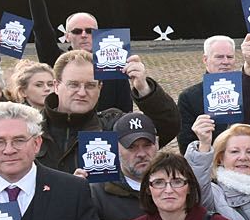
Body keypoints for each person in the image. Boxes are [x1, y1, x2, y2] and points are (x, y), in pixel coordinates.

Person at [40, 48, 179, 173]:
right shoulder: (32, 126)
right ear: (56, 86)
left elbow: (168, 125)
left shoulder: (113, 124)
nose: (82, 92)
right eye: (74, 85)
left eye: (90, 85)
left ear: (100, 88)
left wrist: (143, 89)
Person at [175, 35, 250, 150]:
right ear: (205, 59)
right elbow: (185, 146)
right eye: (219, 57)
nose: (225, 62)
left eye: (230, 57)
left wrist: (249, 67)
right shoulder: (188, 97)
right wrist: (203, 141)